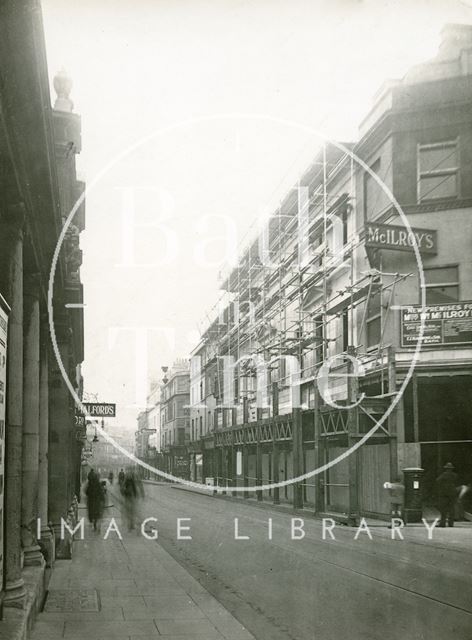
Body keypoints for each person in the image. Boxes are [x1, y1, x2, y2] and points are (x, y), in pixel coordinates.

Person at [436, 462, 459, 527]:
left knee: (443, 508)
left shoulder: (444, 475)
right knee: (452, 508)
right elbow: (457, 483)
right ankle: (451, 523)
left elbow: (437, 480)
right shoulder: (455, 475)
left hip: (444, 493)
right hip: (452, 493)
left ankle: (442, 523)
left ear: (446, 468)